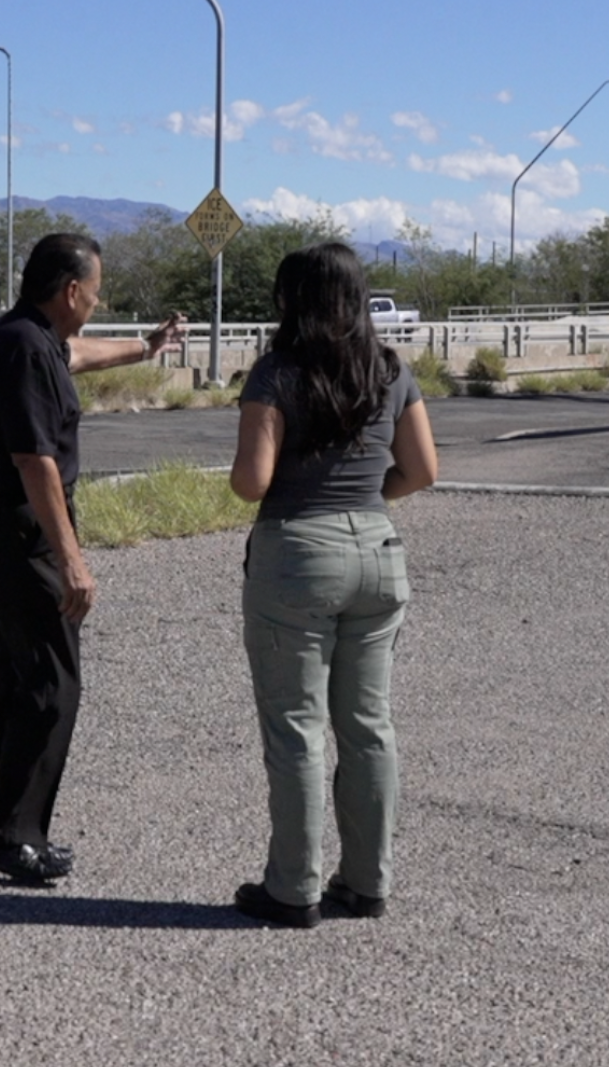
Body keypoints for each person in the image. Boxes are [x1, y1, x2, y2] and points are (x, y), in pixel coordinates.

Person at [229, 241, 438, 928]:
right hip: (377, 549)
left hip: (297, 552)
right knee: (368, 725)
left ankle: (294, 889)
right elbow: (422, 470)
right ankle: (367, 882)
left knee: (296, 731)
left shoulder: (276, 373)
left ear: (296, 300)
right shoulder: (389, 369)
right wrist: (361, 495)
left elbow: (250, 483)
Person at [0, 232, 185, 883]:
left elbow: (80, 354)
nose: (97, 301)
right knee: (50, 686)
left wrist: (144, 348)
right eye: (95, 291)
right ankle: (12, 836)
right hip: (22, 526)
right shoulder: (25, 348)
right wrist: (73, 561)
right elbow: (36, 465)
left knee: (22, 683)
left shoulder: (31, 339)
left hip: (10, 525)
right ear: (69, 290)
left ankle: (2, 831)